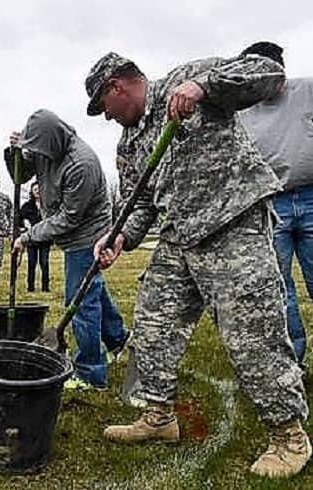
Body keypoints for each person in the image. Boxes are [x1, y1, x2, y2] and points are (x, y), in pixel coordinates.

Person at [85, 50, 310, 478]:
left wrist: (206, 87)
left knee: (252, 334)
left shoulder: (187, 78)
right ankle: (158, 417)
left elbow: (267, 71)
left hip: (232, 223)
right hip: (179, 237)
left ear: (116, 87)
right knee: (152, 325)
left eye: (104, 108)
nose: (107, 118)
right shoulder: (129, 143)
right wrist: (119, 237)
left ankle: (289, 436)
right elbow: (142, 202)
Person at [6, 109, 130, 390]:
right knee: (92, 290)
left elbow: (68, 218)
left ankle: (90, 373)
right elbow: (20, 175)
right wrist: (13, 152)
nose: (38, 156)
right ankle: (119, 338)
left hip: (88, 237)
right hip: (72, 232)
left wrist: (28, 237)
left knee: (82, 303)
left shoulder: (81, 164)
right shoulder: (41, 146)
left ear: (54, 142)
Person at [238, 41, 313, 369]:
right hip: (271, 204)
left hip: (312, 196)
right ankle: (291, 364)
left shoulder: (307, 91)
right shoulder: (241, 110)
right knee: (279, 289)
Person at [19, 181, 51, 292]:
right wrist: (24, 224)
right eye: (35, 189)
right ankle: (30, 287)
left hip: (45, 239)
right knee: (32, 263)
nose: (37, 191)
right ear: (32, 192)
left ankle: (45, 287)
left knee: (44, 263)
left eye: (39, 189)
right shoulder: (27, 206)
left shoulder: (47, 205)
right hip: (31, 240)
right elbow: (19, 220)